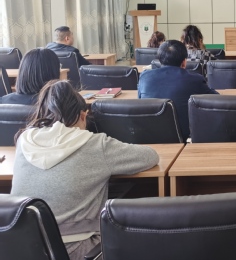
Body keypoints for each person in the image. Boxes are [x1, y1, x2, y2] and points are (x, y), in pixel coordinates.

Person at [11, 80, 159, 260]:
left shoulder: (24, 140)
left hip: (21, 248)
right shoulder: (95, 144)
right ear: (83, 116)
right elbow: (150, 157)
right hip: (77, 249)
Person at [138, 40, 218, 139]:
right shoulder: (194, 79)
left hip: (149, 136)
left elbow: (140, 100)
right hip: (184, 138)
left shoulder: (144, 77)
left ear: (160, 60)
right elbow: (215, 99)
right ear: (184, 62)